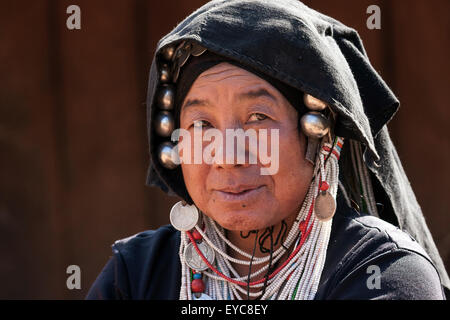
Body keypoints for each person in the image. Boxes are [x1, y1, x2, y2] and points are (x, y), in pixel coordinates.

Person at [86, 0, 449, 300]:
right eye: (201, 124)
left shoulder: (382, 272)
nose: (227, 155)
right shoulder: (135, 274)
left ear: (319, 136)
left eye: (258, 117)